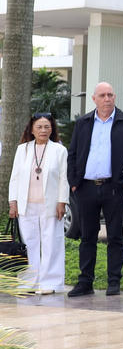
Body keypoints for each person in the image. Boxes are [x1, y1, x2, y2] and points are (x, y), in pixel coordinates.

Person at [66, 81, 123, 297]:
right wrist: (74, 182)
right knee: (87, 236)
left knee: (115, 236)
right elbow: (72, 153)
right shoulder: (83, 122)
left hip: (114, 188)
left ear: (115, 97)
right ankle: (85, 282)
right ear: (94, 99)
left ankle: (113, 281)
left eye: (110, 95)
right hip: (86, 187)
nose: (107, 99)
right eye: (102, 95)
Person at [8, 114, 70, 294]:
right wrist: (13, 202)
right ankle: (29, 283)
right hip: (26, 205)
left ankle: (50, 283)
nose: (43, 130)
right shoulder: (23, 149)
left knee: (52, 243)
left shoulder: (59, 150)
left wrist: (62, 201)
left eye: (47, 127)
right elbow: (15, 178)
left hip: (51, 205)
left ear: (52, 129)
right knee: (29, 244)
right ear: (32, 129)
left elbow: (63, 178)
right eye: (39, 127)